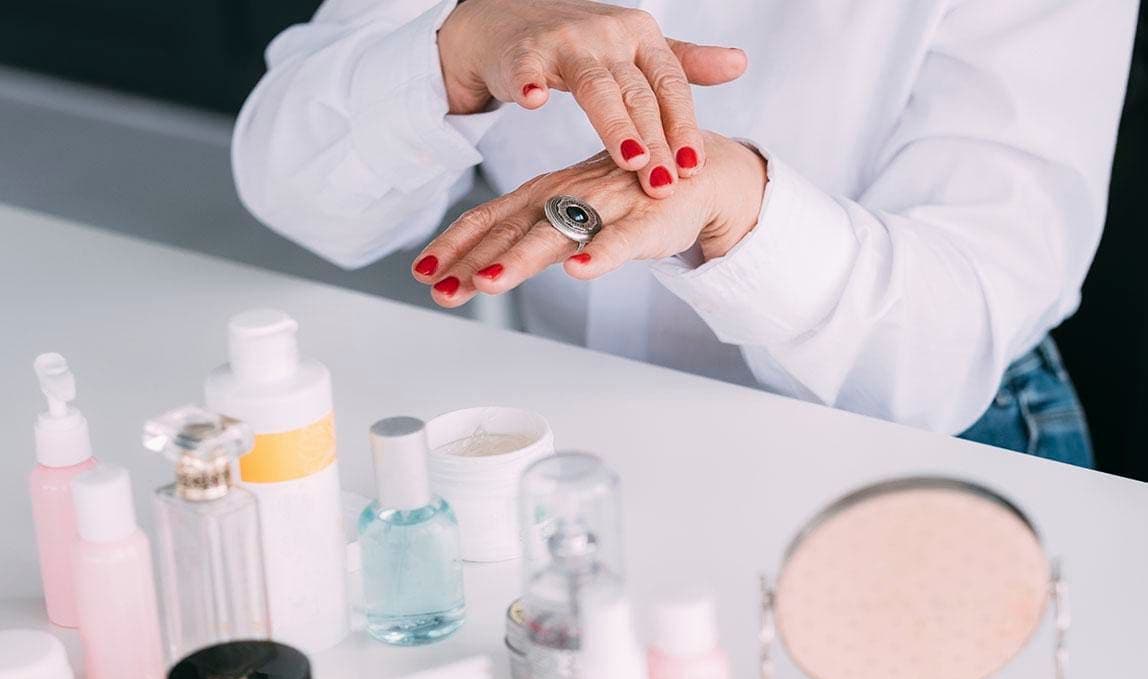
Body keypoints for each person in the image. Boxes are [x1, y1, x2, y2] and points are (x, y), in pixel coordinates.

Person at [232, 0, 1138, 468]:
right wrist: (450, 56)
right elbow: (300, 195)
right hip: (564, 425)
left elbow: (956, 336)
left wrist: (745, 210)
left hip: (925, 431)